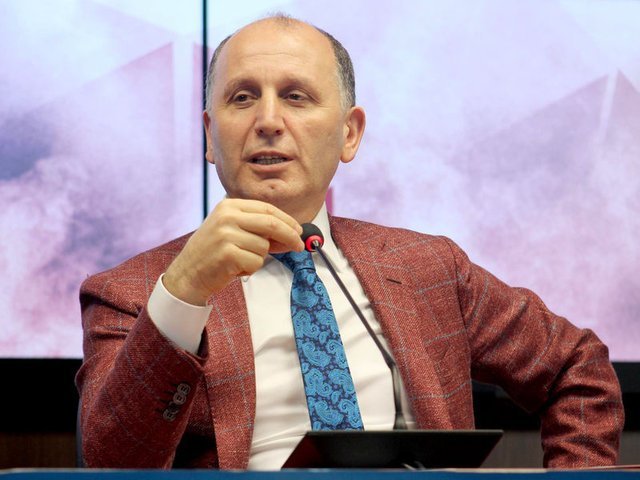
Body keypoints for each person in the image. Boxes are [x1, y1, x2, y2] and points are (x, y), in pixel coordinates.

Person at [75, 15, 624, 470]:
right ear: (210, 137)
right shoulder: (133, 293)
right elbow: (111, 464)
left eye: (296, 97)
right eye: (243, 98)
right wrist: (184, 293)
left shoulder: (428, 267)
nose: (269, 120)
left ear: (350, 133)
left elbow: (577, 368)